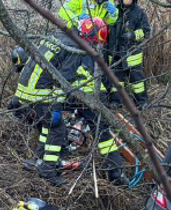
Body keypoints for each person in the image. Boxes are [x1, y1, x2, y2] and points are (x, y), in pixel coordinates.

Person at [17, 18, 125, 186]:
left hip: (26, 89)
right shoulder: (76, 48)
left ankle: (37, 160)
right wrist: (59, 105)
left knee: (48, 125)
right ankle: (48, 170)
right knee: (57, 129)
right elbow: (64, 79)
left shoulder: (57, 36)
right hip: (42, 93)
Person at [104, 0, 152, 108]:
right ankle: (115, 101)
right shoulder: (114, 10)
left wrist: (133, 35)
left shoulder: (139, 13)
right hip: (115, 52)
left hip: (132, 52)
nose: (128, 0)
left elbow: (146, 31)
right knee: (116, 79)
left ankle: (142, 102)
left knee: (137, 80)